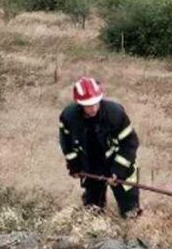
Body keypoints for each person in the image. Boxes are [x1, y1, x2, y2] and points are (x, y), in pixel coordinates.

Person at [58, 77, 142, 218]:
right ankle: (95, 230)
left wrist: (117, 171)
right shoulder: (69, 117)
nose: (93, 108)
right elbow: (67, 144)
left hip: (119, 162)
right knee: (92, 209)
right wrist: (74, 166)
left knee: (130, 209)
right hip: (91, 165)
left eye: (96, 103)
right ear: (79, 104)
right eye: (88, 105)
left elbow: (130, 143)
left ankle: (131, 228)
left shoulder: (115, 114)